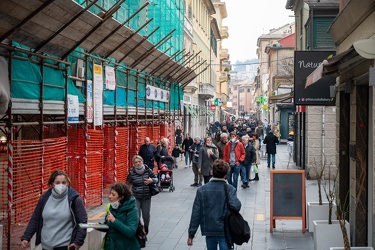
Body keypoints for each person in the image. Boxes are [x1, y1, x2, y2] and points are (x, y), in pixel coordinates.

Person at [21, 170, 87, 250]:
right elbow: (35, 219)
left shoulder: (74, 199)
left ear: (68, 183)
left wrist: (77, 243)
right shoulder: (44, 199)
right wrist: (26, 237)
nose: (61, 185)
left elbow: (82, 221)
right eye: (58, 182)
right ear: (52, 184)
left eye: (64, 182)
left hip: (65, 246)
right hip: (45, 246)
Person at [187, 159, 241, 250]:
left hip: (209, 229)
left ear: (212, 172)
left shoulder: (202, 190)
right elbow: (236, 206)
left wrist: (191, 234)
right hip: (225, 229)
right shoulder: (230, 189)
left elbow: (196, 214)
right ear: (225, 175)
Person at [102, 183, 140, 250]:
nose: (110, 196)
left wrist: (114, 221)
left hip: (126, 246)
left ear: (121, 197)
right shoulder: (111, 207)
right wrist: (99, 226)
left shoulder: (132, 210)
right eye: (110, 193)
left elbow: (131, 232)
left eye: (113, 195)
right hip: (111, 245)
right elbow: (109, 227)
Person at [126, 155, 158, 235]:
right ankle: (139, 231)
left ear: (142, 161)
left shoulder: (147, 170)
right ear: (133, 164)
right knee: (137, 216)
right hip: (136, 196)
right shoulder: (131, 172)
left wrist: (152, 180)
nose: (138, 163)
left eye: (139, 161)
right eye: (136, 162)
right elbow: (127, 184)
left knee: (146, 216)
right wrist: (129, 193)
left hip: (146, 196)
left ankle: (146, 227)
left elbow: (156, 179)